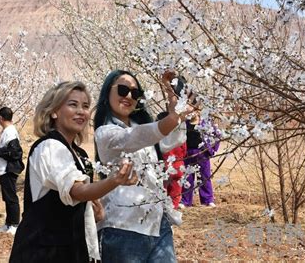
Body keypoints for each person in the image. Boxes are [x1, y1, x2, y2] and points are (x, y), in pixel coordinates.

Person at [9, 81, 138, 263]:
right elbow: (77, 191)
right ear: (54, 111)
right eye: (72, 104)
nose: (81, 111)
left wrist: (95, 214)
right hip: (42, 251)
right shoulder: (49, 147)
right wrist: (114, 180)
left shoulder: (80, 155)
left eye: (85, 106)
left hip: (72, 249)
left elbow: (79, 203)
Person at [93, 70, 195, 263]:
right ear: (107, 93)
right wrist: (175, 116)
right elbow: (137, 136)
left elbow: (172, 137)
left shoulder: (143, 128)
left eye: (135, 92)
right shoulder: (105, 133)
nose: (129, 96)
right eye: (123, 90)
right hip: (122, 226)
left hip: (157, 224)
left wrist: (171, 92)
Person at [0, 107, 24, 234]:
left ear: (1, 118)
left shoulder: (10, 132)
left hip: (8, 170)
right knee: (7, 197)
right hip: (3, 170)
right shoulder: (7, 131)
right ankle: (8, 224)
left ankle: (15, 225)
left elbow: (15, 152)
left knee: (11, 198)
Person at [181, 113, 220, 208]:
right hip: (188, 153)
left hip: (203, 153)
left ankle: (207, 200)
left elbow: (217, 136)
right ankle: (185, 201)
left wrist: (213, 149)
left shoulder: (206, 123)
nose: (191, 113)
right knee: (187, 178)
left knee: (204, 177)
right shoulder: (184, 124)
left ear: (198, 111)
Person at [156, 111, 187, 210]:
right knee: (176, 191)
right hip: (178, 165)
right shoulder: (179, 137)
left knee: (163, 189)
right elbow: (184, 150)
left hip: (164, 165)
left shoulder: (159, 137)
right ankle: (173, 208)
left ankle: (164, 209)